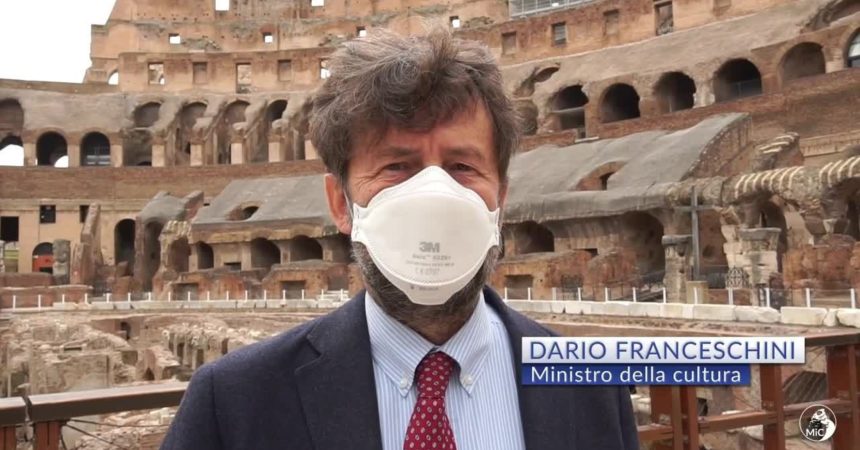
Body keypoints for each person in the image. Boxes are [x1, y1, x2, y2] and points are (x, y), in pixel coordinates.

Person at [161, 29, 638, 450]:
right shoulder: (233, 401)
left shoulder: (592, 389)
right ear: (341, 203)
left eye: (462, 167)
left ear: (501, 200)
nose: (434, 194)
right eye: (397, 167)